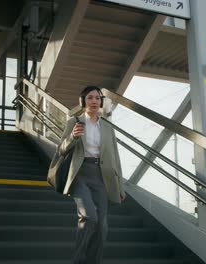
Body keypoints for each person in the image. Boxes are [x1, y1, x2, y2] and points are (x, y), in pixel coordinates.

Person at [57, 85, 126, 264]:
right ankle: (77, 260)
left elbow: (115, 158)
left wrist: (120, 186)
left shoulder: (108, 128)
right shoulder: (74, 122)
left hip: (102, 177)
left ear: (101, 102)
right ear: (82, 102)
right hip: (80, 174)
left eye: (97, 98)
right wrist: (72, 136)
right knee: (89, 217)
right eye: (90, 98)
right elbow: (61, 150)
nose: (94, 101)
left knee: (102, 228)